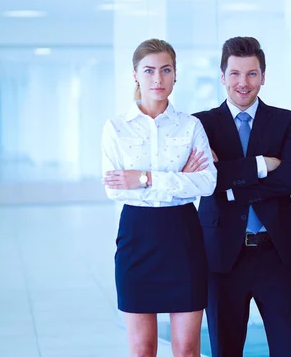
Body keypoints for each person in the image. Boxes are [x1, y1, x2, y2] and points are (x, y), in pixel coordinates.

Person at [101, 39, 217, 357]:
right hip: (137, 236)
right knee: (142, 348)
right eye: (149, 70)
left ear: (175, 75)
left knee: (187, 348)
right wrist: (181, 177)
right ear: (135, 75)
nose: (158, 79)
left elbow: (206, 183)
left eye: (166, 70)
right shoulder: (116, 128)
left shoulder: (191, 126)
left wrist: (143, 178)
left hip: (183, 235)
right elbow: (115, 189)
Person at [194, 36, 291, 356]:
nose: (243, 83)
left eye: (252, 74)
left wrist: (231, 187)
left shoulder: (286, 121)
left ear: (263, 76)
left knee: (289, 348)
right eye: (235, 74)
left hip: (276, 254)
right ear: (222, 76)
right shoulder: (201, 125)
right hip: (222, 257)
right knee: (225, 348)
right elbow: (206, 181)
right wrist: (260, 165)